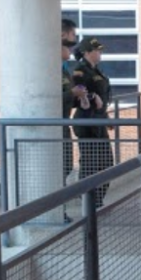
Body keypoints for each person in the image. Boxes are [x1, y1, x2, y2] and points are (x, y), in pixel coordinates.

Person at [70, 37, 113, 207]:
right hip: (87, 122)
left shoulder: (96, 71)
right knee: (90, 163)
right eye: (97, 50)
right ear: (86, 53)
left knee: (106, 162)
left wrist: (106, 117)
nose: (100, 53)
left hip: (98, 121)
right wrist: (92, 96)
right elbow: (78, 92)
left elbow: (103, 97)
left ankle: (97, 198)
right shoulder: (80, 71)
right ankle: (89, 200)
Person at [61, 37, 79, 184]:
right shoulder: (50, 71)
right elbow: (51, 99)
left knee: (67, 165)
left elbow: (69, 99)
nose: (70, 50)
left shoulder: (65, 71)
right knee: (61, 165)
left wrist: (81, 98)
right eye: (67, 47)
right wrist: (72, 93)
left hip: (65, 122)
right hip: (55, 124)